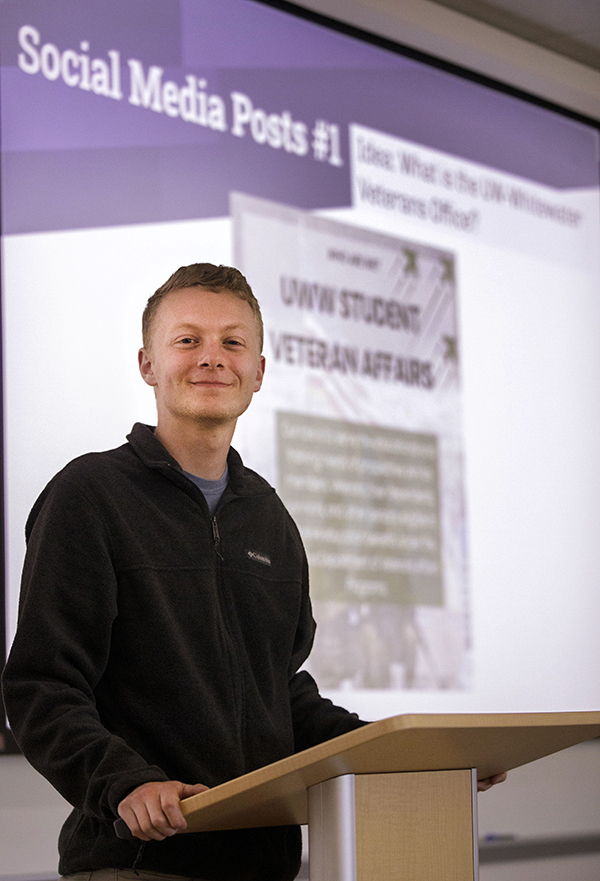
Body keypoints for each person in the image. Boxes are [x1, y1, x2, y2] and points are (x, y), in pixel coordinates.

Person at [2, 263, 504, 881]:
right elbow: (41, 688)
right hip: (139, 863)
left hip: (265, 865)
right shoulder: (89, 496)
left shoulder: (269, 517)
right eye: (188, 340)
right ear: (147, 365)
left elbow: (280, 696)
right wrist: (124, 784)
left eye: (233, 342)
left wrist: (405, 755)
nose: (212, 357)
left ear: (258, 371)